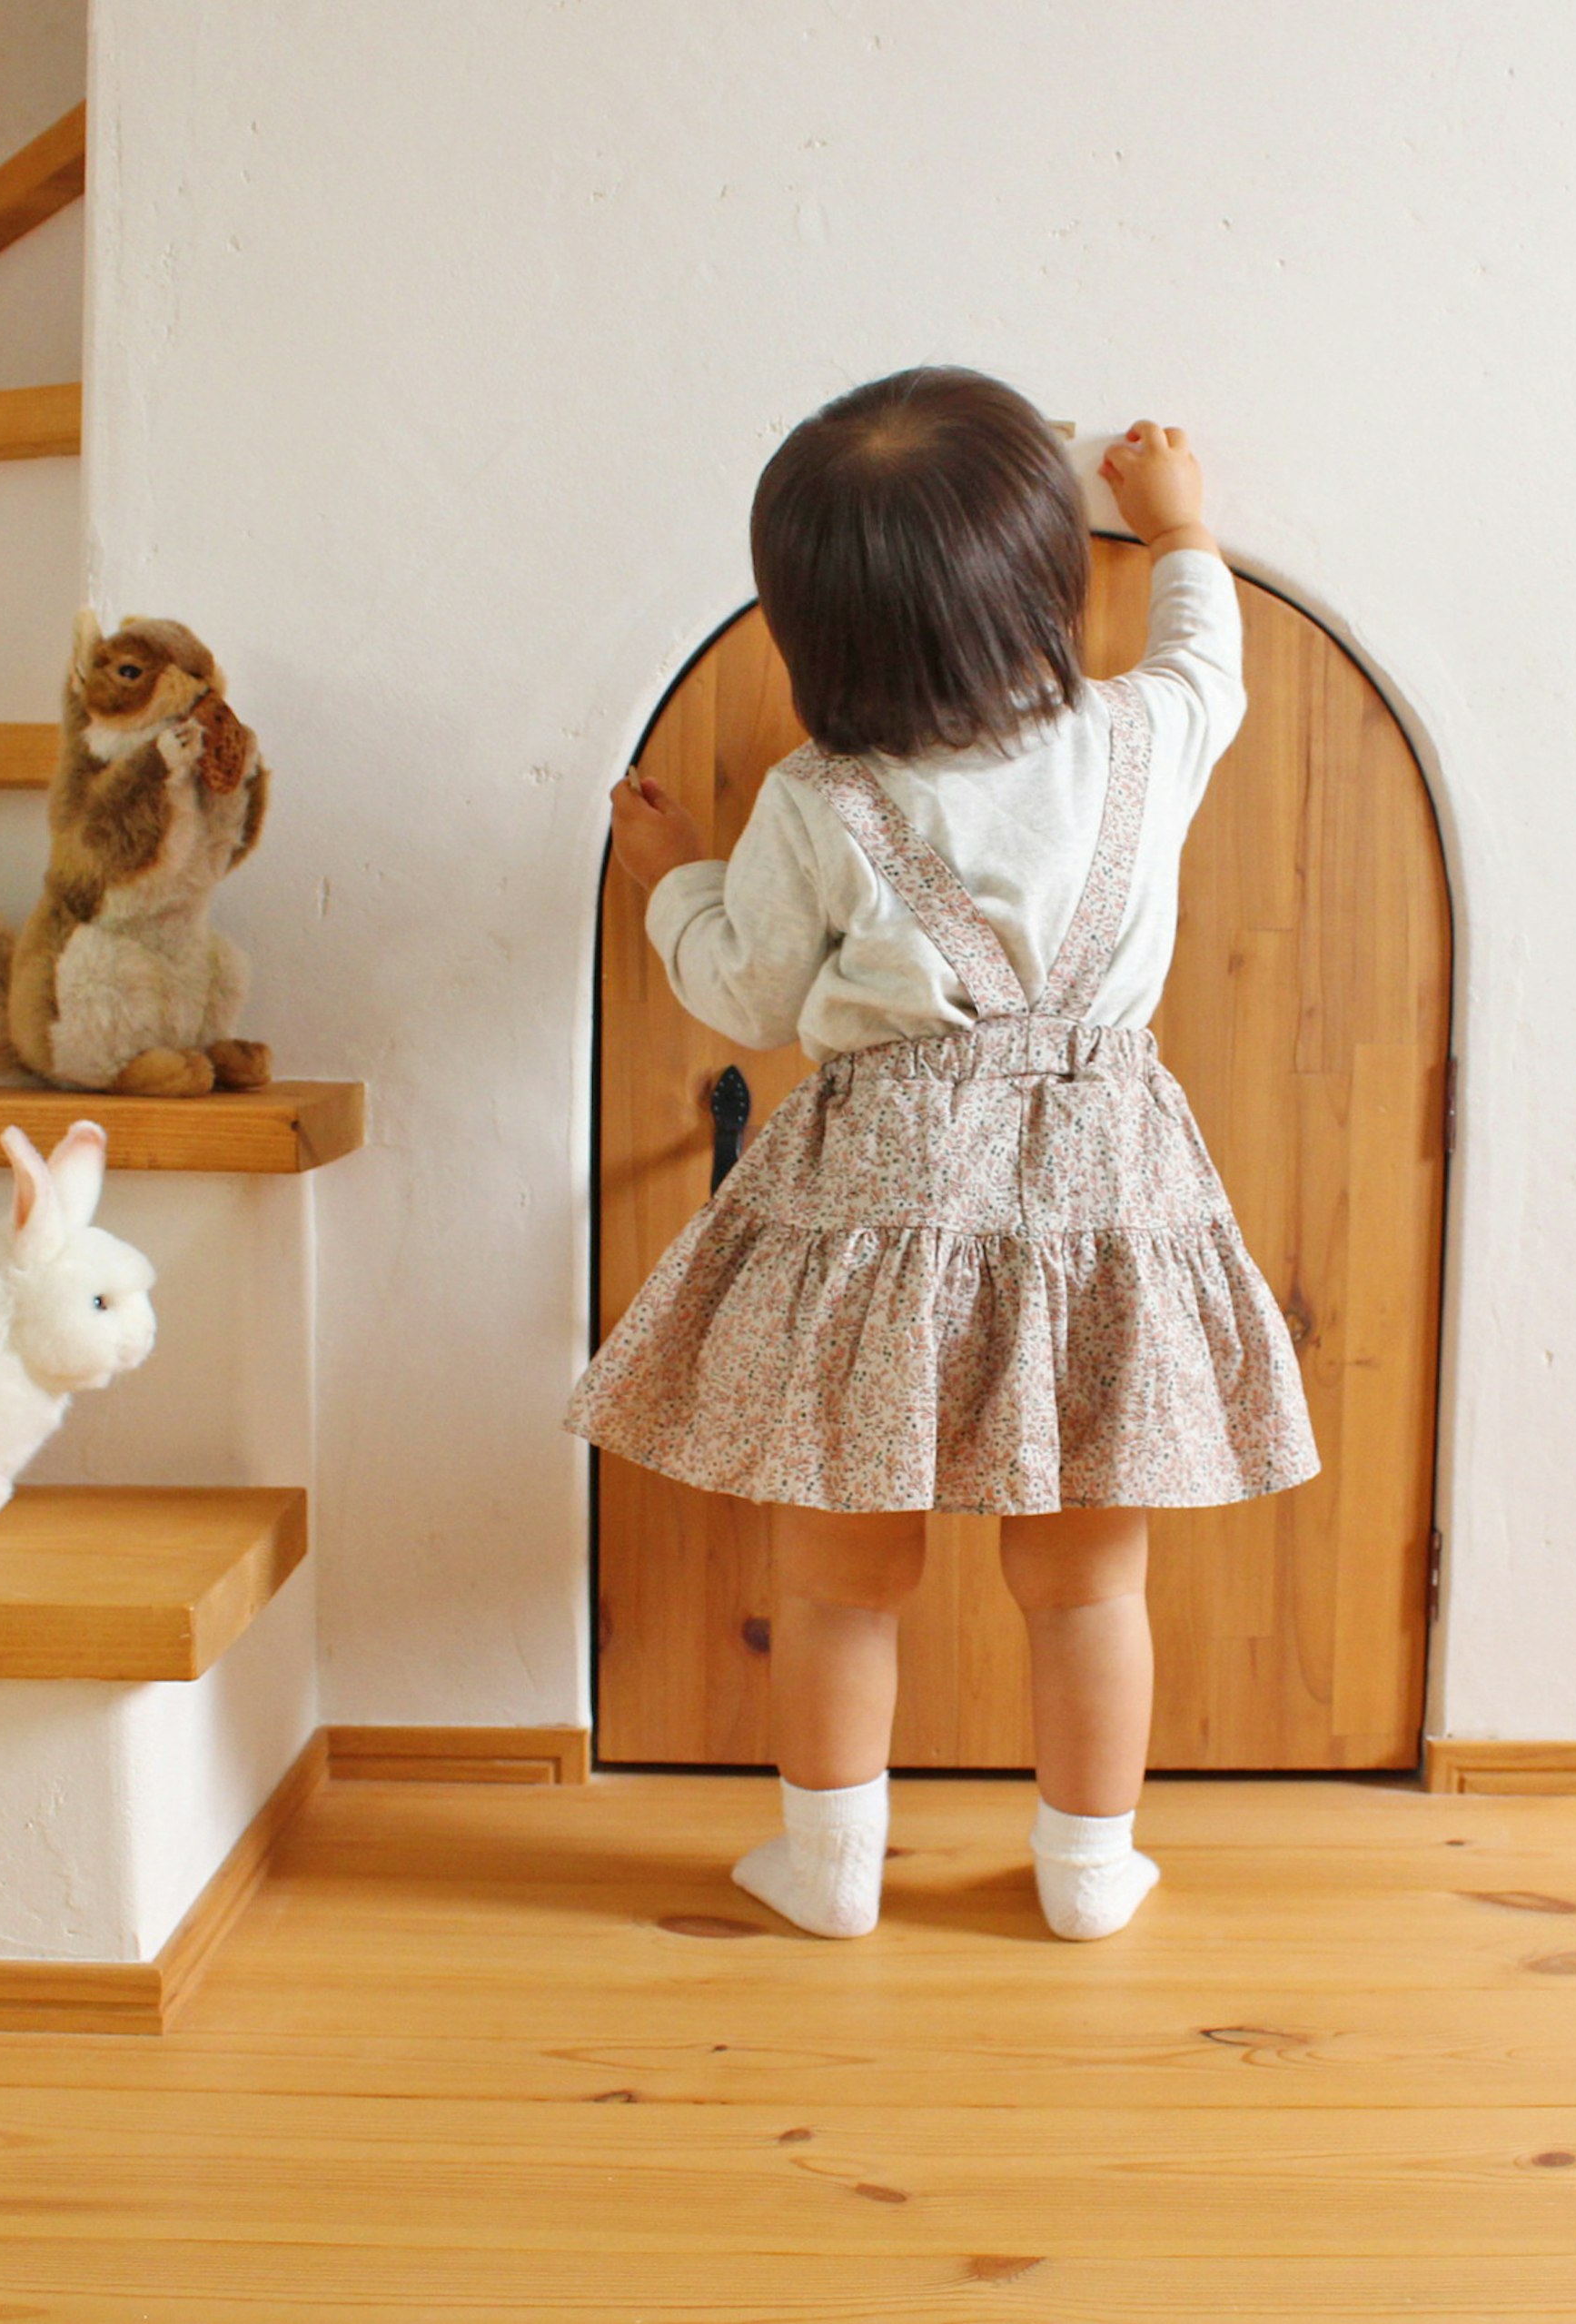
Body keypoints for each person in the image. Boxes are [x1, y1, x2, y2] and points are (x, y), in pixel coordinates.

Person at [571, 367, 1315, 1941]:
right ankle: (1087, 1873)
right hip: (1105, 1199)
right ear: (1048, 581)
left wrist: (671, 877)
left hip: (880, 1210)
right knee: (1089, 1588)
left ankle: (831, 1873)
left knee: (842, 1579)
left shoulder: (816, 799)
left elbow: (749, 993)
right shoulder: (1140, 739)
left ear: (811, 633)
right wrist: (1180, 528)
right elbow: (1209, 660)